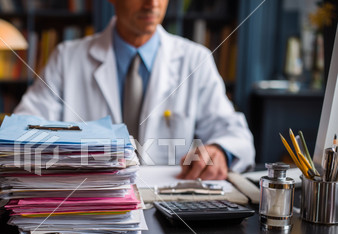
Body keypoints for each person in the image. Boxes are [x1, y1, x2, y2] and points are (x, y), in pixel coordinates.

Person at [14, 0, 255, 180]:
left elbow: (236, 135)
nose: (152, 4)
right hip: (88, 205)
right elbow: (22, 129)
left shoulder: (195, 60)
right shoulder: (67, 59)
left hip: (169, 206)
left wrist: (220, 150)